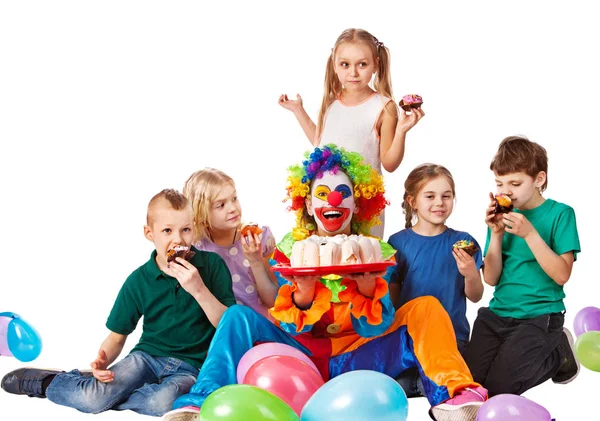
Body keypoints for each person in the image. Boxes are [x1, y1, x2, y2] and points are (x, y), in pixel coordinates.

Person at [162, 145, 487, 421]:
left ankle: (453, 396)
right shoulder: (290, 249)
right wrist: (303, 293)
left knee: (425, 307)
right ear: (307, 204)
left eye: (342, 194)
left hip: (360, 356)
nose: (332, 200)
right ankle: (199, 402)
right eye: (322, 194)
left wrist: (365, 288)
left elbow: (376, 328)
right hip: (298, 355)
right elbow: (285, 319)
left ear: (357, 204)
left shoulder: (376, 251)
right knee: (237, 316)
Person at [1, 189, 236, 417]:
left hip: (192, 367)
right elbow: (116, 337)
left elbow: (228, 326)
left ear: (193, 228)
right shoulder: (138, 280)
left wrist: (198, 289)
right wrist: (104, 359)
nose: (178, 239)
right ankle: (48, 382)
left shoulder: (212, 266)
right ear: (149, 233)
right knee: (92, 400)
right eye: (167, 230)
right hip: (146, 358)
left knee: (161, 404)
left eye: (185, 229)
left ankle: (100, 392)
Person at [278, 28, 425, 238]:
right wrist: (298, 110)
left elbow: (390, 163)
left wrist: (401, 131)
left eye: (362, 64)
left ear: (375, 64)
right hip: (326, 203)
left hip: (363, 209)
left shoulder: (384, 106)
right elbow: (320, 144)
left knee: (360, 262)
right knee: (324, 262)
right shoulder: (331, 101)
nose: (353, 72)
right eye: (345, 64)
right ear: (335, 65)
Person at [465, 136, 581, 396]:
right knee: (471, 385)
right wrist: (495, 234)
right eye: (500, 183)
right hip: (497, 314)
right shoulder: (503, 216)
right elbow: (492, 279)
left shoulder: (560, 214)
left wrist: (530, 234)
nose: (506, 191)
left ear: (539, 179)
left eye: (515, 183)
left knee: (499, 389)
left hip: (539, 317)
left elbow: (562, 274)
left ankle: (558, 350)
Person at [387, 163, 484, 398]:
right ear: (412, 201)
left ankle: (438, 386)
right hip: (410, 341)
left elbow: (476, 295)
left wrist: (470, 271)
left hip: (452, 340)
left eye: (446, 196)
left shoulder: (464, 241)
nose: (439, 202)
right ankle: (427, 383)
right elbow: (394, 300)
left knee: (443, 384)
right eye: (430, 196)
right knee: (395, 387)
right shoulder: (397, 243)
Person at [183, 168, 279, 318]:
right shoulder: (198, 249)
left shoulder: (258, 238)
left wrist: (256, 261)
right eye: (221, 205)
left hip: (261, 330)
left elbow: (273, 301)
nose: (233, 208)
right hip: (221, 331)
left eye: (234, 198)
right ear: (200, 214)